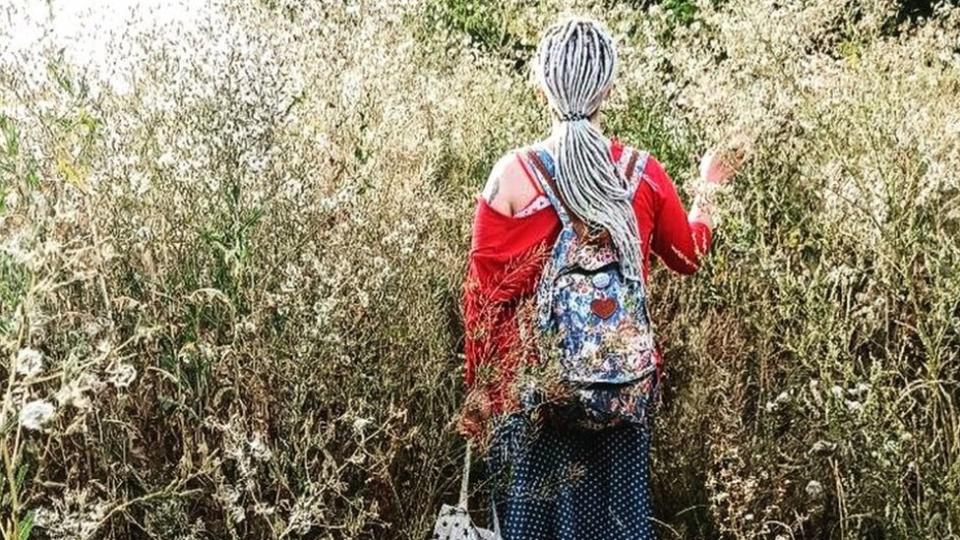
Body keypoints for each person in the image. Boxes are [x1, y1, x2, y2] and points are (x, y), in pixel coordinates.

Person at [460, 15, 739, 540]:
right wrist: (708, 189)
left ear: (542, 82)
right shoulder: (641, 173)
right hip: (620, 394)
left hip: (534, 396)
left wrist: (484, 399)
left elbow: (482, 303)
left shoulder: (514, 176)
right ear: (608, 88)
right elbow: (689, 254)